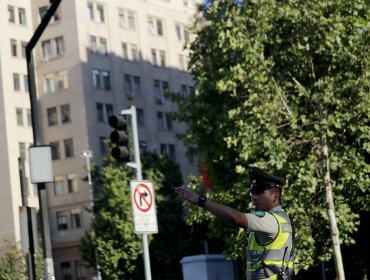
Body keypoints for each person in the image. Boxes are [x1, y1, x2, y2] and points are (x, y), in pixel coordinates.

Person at [175, 166, 294, 280]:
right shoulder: (280, 219)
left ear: (275, 196)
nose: (253, 197)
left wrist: (202, 201)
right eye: (252, 192)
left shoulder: (271, 220)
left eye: (258, 192)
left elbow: (237, 218)